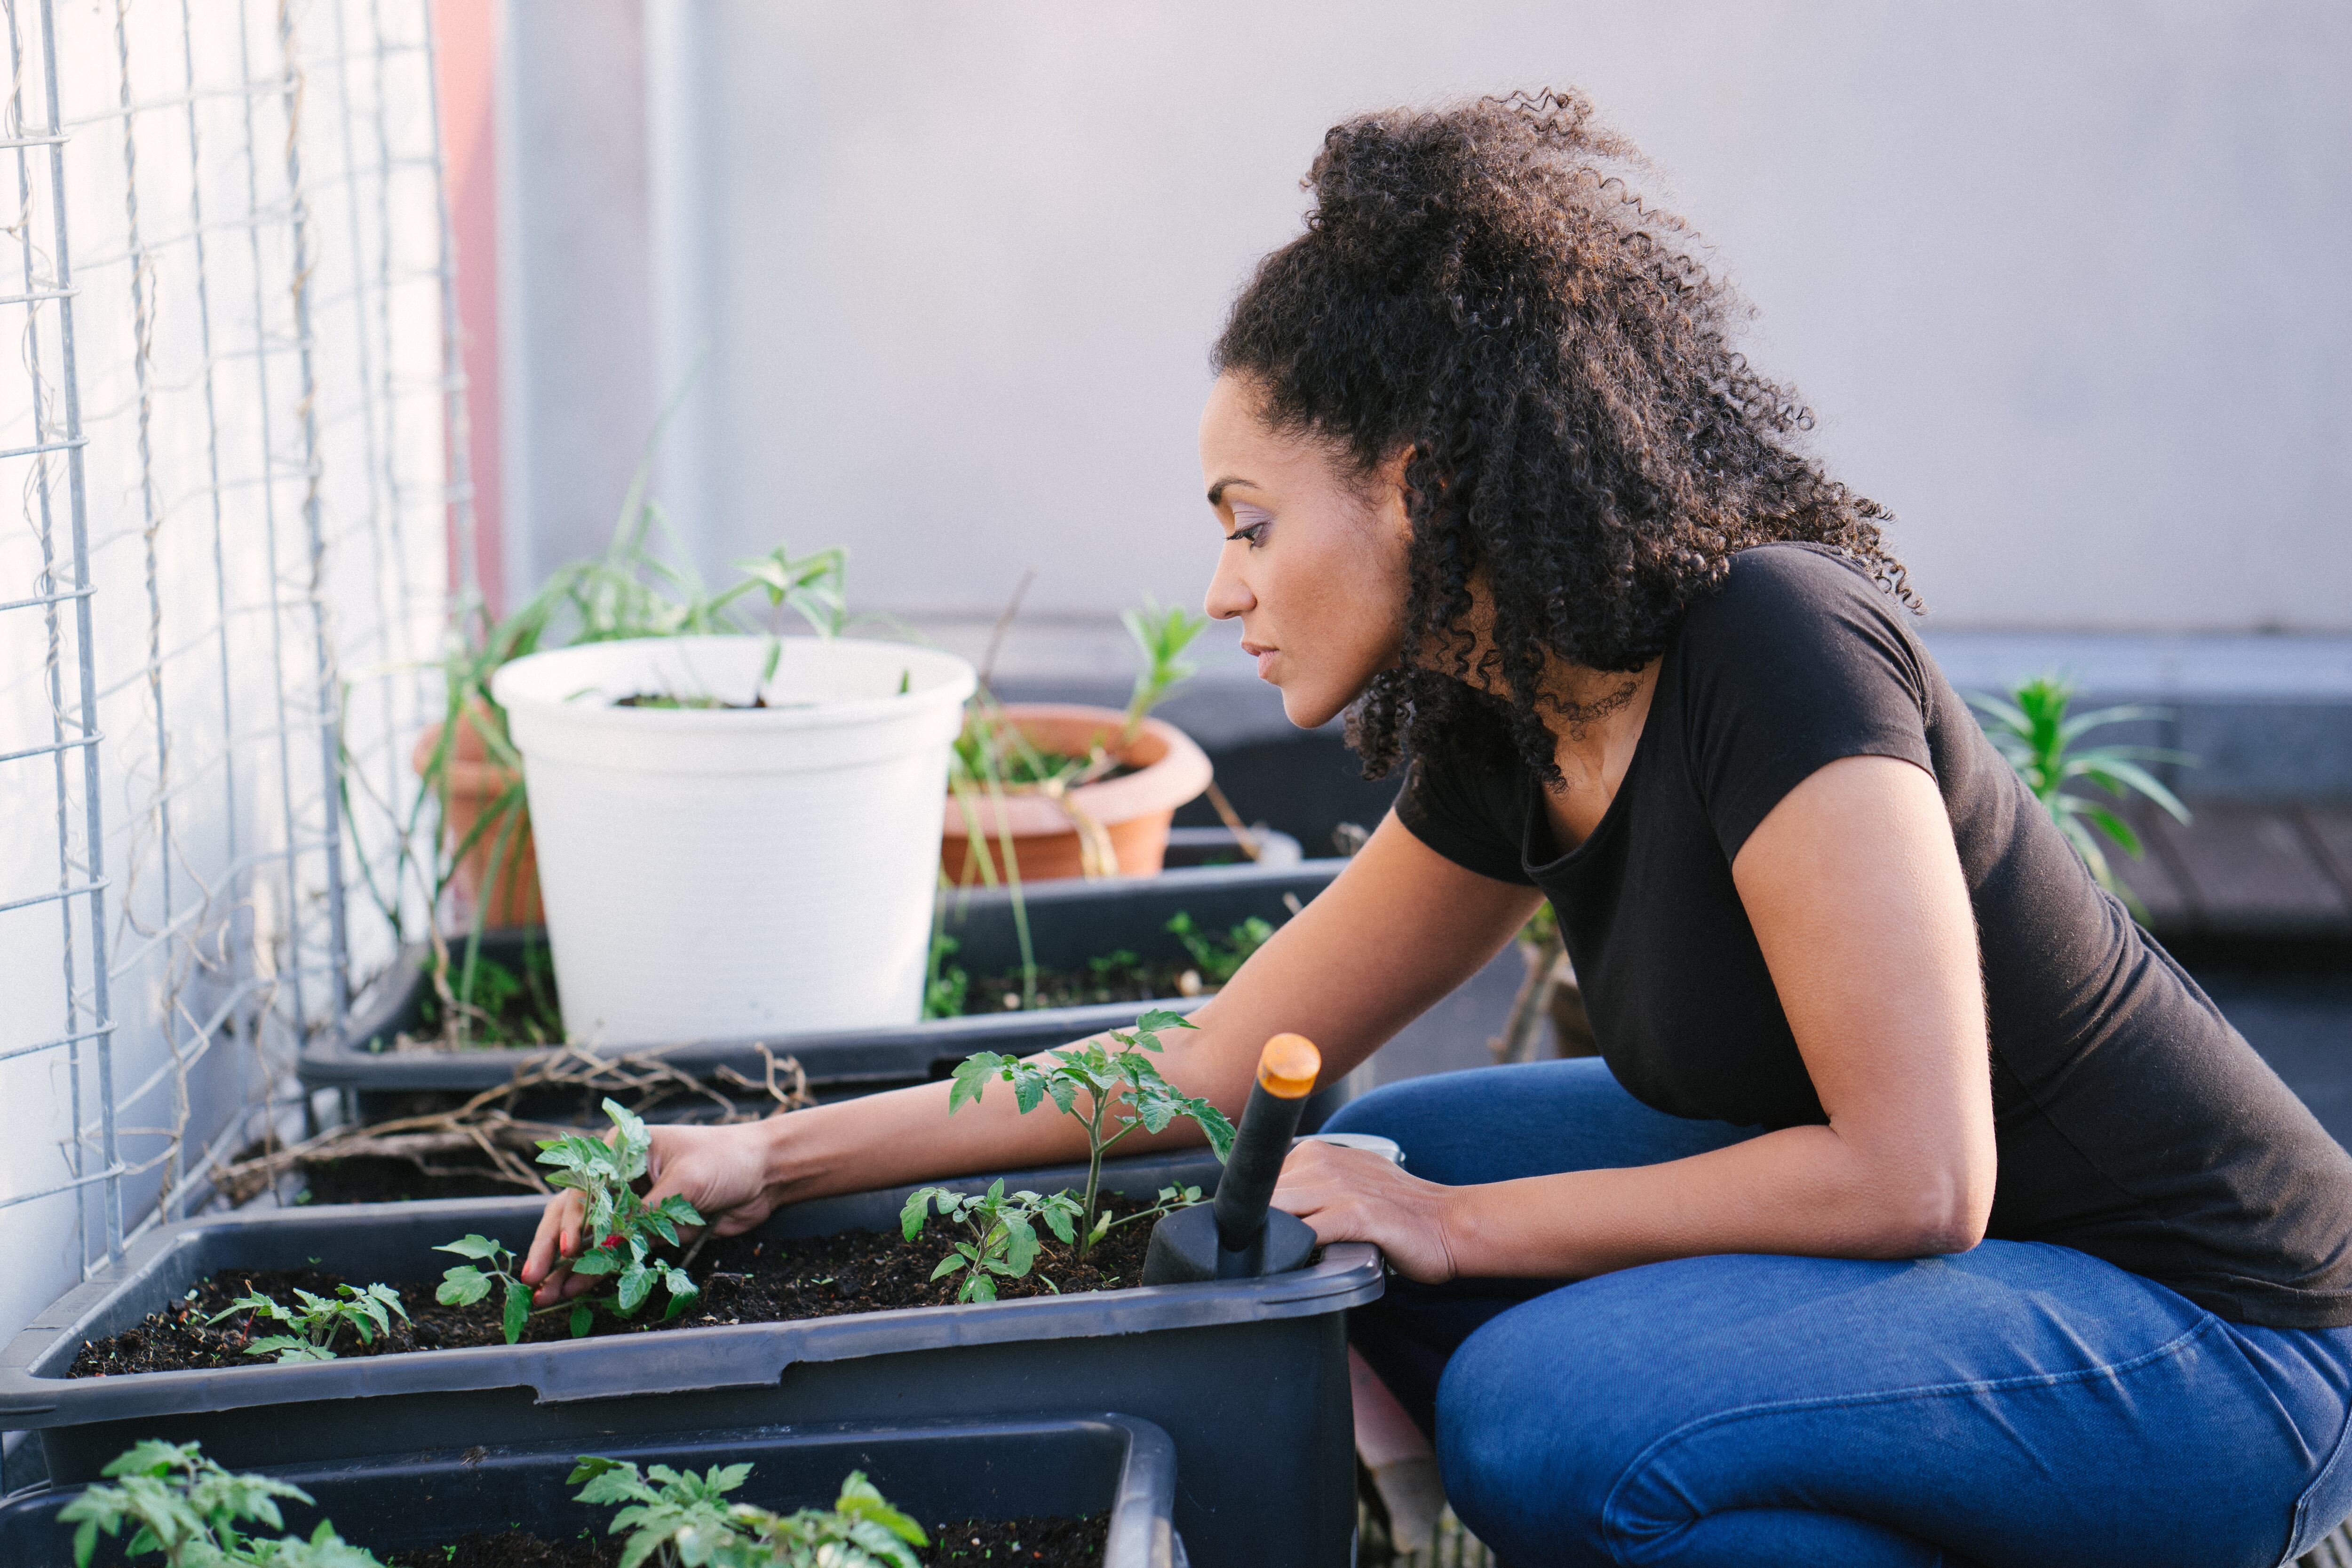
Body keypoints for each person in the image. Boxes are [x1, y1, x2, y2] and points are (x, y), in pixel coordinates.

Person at [524, 89, 2352, 1567]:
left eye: (1247, 519)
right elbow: (1212, 1062)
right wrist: (777, 1161)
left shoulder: (1773, 652)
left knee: (1544, 1407)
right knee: (1363, 1161)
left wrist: (1460, 1229)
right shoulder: (1513, 718)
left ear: (1414, 486)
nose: (1222, 586)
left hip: (2209, 1345)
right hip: (1971, 1286)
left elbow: (1914, 1181)